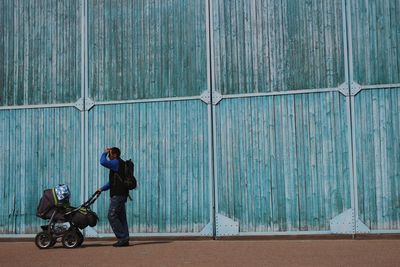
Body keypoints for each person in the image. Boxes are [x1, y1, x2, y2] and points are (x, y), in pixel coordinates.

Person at [97, 147, 130, 247]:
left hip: (118, 195)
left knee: (111, 215)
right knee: (121, 217)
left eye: (110, 154)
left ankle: (122, 238)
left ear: (115, 155)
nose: (108, 156)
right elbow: (112, 182)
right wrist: (101, 189)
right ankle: (125, 238)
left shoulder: (116, 162)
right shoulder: (120, 164)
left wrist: (104, 153)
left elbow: (102, 162)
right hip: (122, 194)